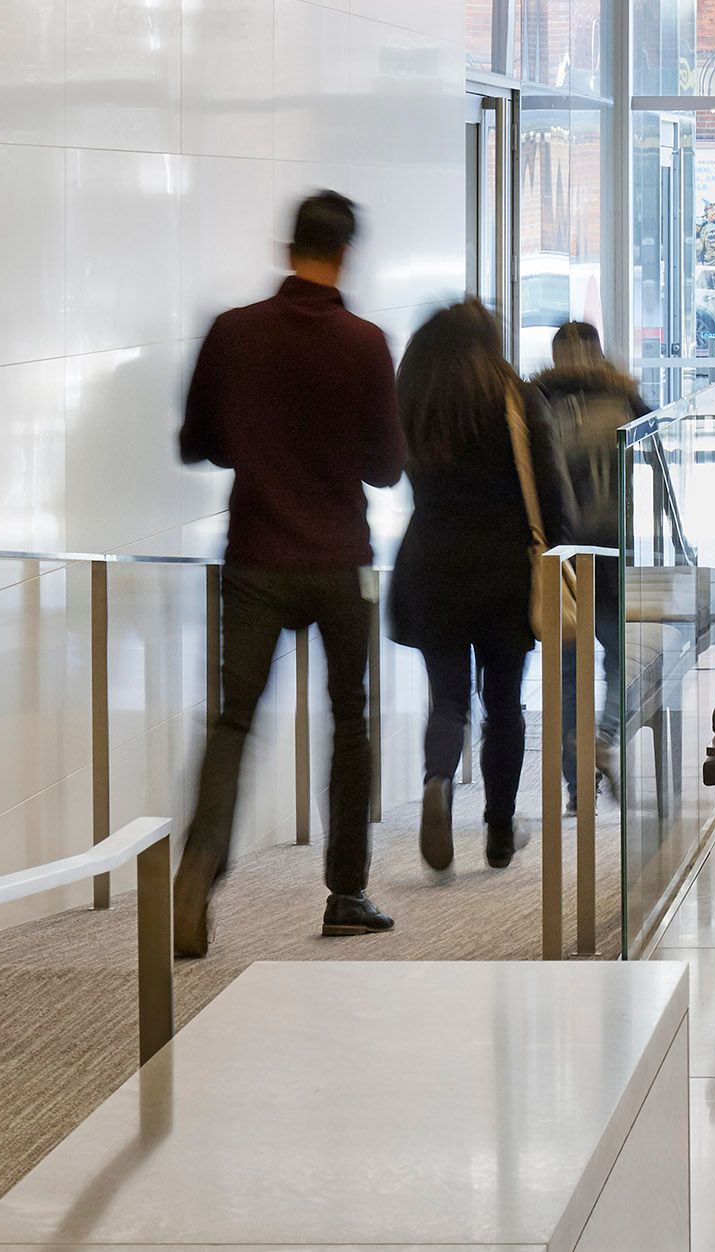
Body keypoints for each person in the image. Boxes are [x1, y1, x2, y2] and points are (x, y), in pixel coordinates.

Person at [177, 190, 407, 948]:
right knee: (351, 723)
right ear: (344, 254)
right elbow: (385, 468)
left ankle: (201, 865)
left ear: (288, 249)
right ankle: (346, 892)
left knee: (233, 720)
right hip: (340, 561)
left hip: (255, 558)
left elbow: (198, 443)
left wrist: (263, 446)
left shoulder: (233, 333)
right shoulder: (366, 343)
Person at [389, 302, 573, 874]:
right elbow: (551, 493)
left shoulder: (417, 399)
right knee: (503, 705)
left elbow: (397, 475)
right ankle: (498, 830)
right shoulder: (517, 398)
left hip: (432, 567)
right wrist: (560, 547)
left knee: (447, 699)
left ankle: (439, 780)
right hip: (503, 574)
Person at [533, 319, 648, 548]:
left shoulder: (543, 398)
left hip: (564, 528)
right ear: (599, 353)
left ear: (556, 356)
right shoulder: (622, 396)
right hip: (617, 524)